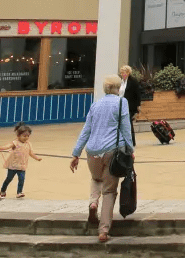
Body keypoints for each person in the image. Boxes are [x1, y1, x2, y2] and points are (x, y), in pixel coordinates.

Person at [70, 74, 135, 243]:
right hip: (111, 151)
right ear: (118, 88)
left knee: (96, 178)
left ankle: (93, 203)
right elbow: (126, 128)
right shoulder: (122, 103)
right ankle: (103, 230)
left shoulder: (95, 105)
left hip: (92, 151)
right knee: (109, 191)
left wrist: (76, 153)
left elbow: (86, 130)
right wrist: (130, 149)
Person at [0, 123, 41, 198]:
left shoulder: (28, 144)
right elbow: (7, 146)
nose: (26, 138)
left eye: (27, 136)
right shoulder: (15, 143)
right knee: (9, 179)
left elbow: (31, 153)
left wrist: (37, 158)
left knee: (21, 179)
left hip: (22, 166)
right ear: (18, 136)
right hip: (13, 166)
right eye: (24, 136)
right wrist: (0, 148)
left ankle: (19, 192)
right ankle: (3, 191)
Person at [118, 66, 142, 146]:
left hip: (130, 105)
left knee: (128, 123)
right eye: (121, 73)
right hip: (120, 105)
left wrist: (138, 106)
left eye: (123, 73)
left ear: (128, 73)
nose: (122, 74)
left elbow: (137, 94)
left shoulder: (133, 81)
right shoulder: (120, 81)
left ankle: (132, 141)